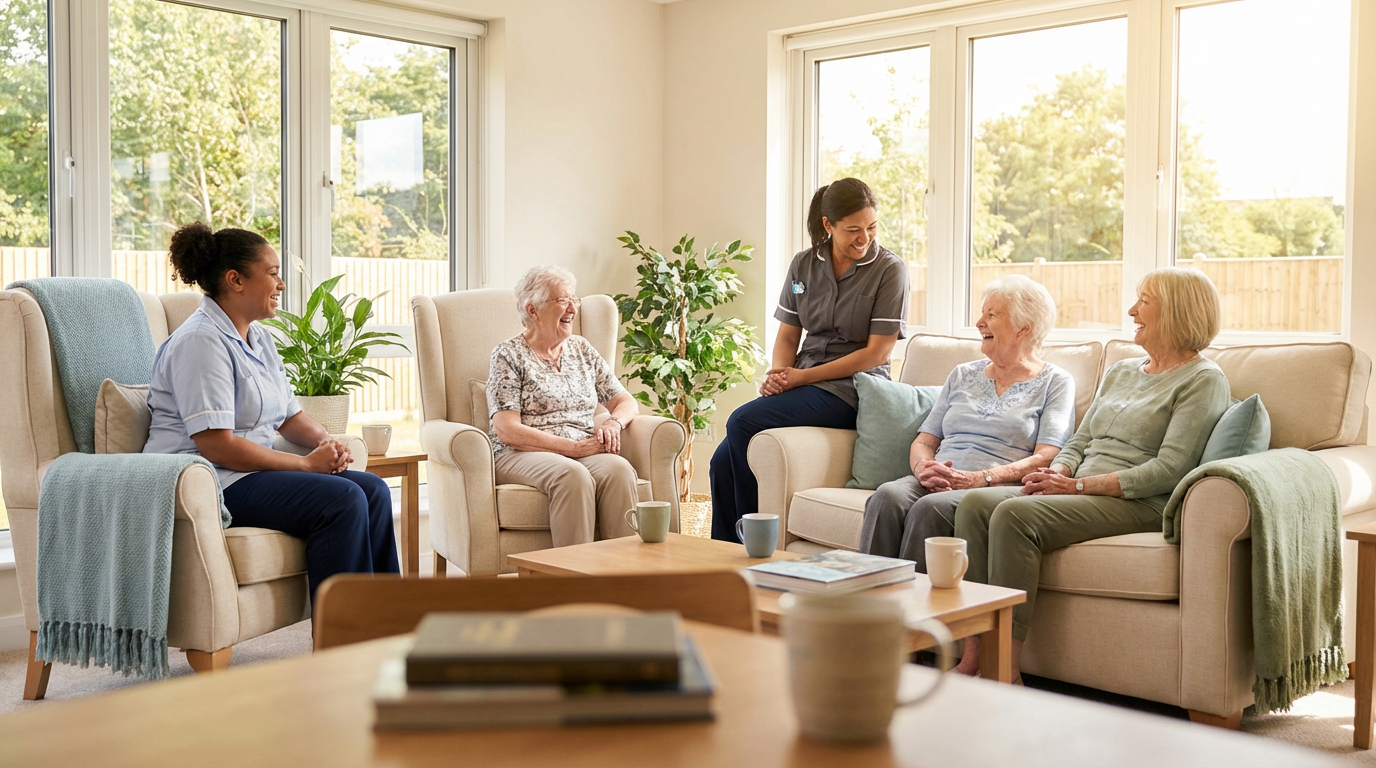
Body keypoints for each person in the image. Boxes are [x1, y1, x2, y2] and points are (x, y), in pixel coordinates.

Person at [951, 267, 1231, 681]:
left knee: (1015, 515)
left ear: (1176, 311)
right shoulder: (1122, 372)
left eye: (1145, 302)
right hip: (1079, 489)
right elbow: (1079, 441)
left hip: (1138, 501)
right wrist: (1057, 473)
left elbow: (1171, 468)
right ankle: (973, 653)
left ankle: (1004, 669)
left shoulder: (1203, 380)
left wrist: (1077, 485)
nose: (1132, 310)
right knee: (975, 504)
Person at [144, 222, 399, 599]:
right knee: (341, 500)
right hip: (209, 480)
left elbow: (289, 417)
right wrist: (307, 465)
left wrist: (327, 442)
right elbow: (217, 446)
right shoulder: (200, 341)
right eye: (273, 273)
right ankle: (341, 643)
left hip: (247, 474)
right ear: (235, 280)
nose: (281, 285)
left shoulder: (258, 337)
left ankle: (386, 627)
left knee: (374, 490)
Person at [710, 178, 910, 542]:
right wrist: (778, 375)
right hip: (804, 383)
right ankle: (725, 558)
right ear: (827, 225)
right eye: (853, 230)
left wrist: (800, 378)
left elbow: (877, 353)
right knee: (721, 461)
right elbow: (788, 335)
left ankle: (753, 537)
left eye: (871, 228)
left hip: (853, 390)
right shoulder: (804, 265)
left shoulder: (889, 271)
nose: (864, 238)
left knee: (741, 420)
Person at [859, 276, 1075, 571]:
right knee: (887, 496)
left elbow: (1048, 455)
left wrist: (981, 478)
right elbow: (925, 440)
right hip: (941, 477)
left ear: (1024, 328)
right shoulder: (962, 374)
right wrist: (923, 468)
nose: (979, 322)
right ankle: (867, 601)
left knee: (930, 508)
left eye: (991, 315)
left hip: (992, 488)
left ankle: (920, 611)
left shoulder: (1055, 382)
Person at [488, 265, 641, 546]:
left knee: (618, 470)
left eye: (574, 299)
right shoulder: (508, 354)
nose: (572, 308)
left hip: (581, 448)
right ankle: (574, 583)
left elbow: (626, 402)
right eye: (562, 300)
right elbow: (506, 429)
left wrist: (612, 422)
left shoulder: (581, 349)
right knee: (572, 476)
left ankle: (622, 580)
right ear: (532, 310)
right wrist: (570, 448)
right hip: (519, 452)